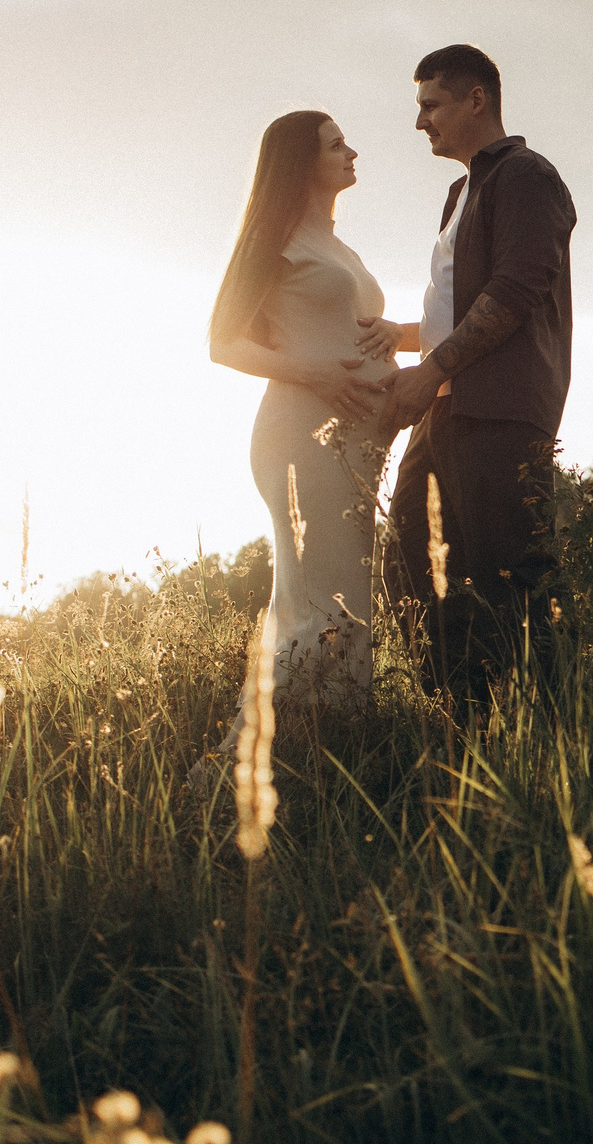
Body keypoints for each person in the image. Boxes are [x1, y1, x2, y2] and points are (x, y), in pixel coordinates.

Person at [372, 44, 576, 705]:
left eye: (431, 105)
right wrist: (401, 337)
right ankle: (462, 718)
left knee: (511, 579)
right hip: (444, 407)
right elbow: (463, 306)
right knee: (413, 564)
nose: (420, 122)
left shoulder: (525, 176)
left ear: (476, 99)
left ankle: (549, 726)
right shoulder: (461, 193)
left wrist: (428, 369)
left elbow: (515, 291)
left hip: (498, 412)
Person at [203, 110, 395, 734]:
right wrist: (318, 375)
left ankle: (329, 748)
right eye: (336, 145)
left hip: (355, 445)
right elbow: (223, 343)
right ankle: (243, 762)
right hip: (301, 439)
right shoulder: (277, 241)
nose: (351, 152)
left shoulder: (339, 249)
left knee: (347, 601)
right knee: (321, 607)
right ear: (300, 164)